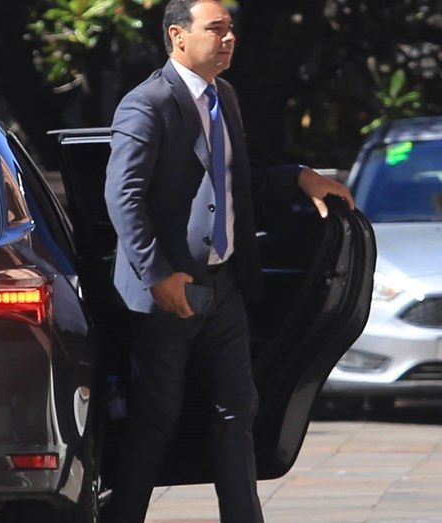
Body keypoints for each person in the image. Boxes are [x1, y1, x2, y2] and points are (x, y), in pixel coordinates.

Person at [103, 1, 355, 522]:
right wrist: (157, 274)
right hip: (170, 291)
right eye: (215, 29)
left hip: (225, 286)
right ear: (178, 36)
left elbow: (238, 180)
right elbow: (121, 197)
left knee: (237, 413)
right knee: (155, 420)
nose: (228, 38)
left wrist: (298, 176)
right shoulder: (147, 103)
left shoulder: (225, 98)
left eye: (230, 28)